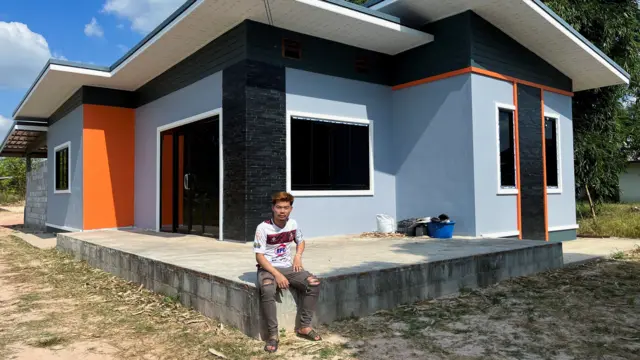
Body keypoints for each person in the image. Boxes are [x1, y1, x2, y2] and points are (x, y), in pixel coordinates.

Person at [254, 191, 322, 353]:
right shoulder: (263, 228)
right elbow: (259, 257)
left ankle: (304, 327)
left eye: (286, 207)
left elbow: (301, 241)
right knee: (268, 288)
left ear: (291, 209)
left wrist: (298, 256)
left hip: (289, 267)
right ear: (273, 208)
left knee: (314, 283)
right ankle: (273, 335)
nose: (282, 211)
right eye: (279, 207)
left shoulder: (293, 224)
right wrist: (277, 275)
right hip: (268, 268)